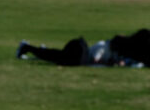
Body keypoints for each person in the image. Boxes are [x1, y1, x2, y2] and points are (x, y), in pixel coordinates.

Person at [17, 29, 150, 67]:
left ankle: (33, 49)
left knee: (57, 57)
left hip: (80, 52)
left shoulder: (127, 51)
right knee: (58, 57)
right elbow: (97, 59)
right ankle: (29, 48)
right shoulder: (106, 47)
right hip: (80, 53)